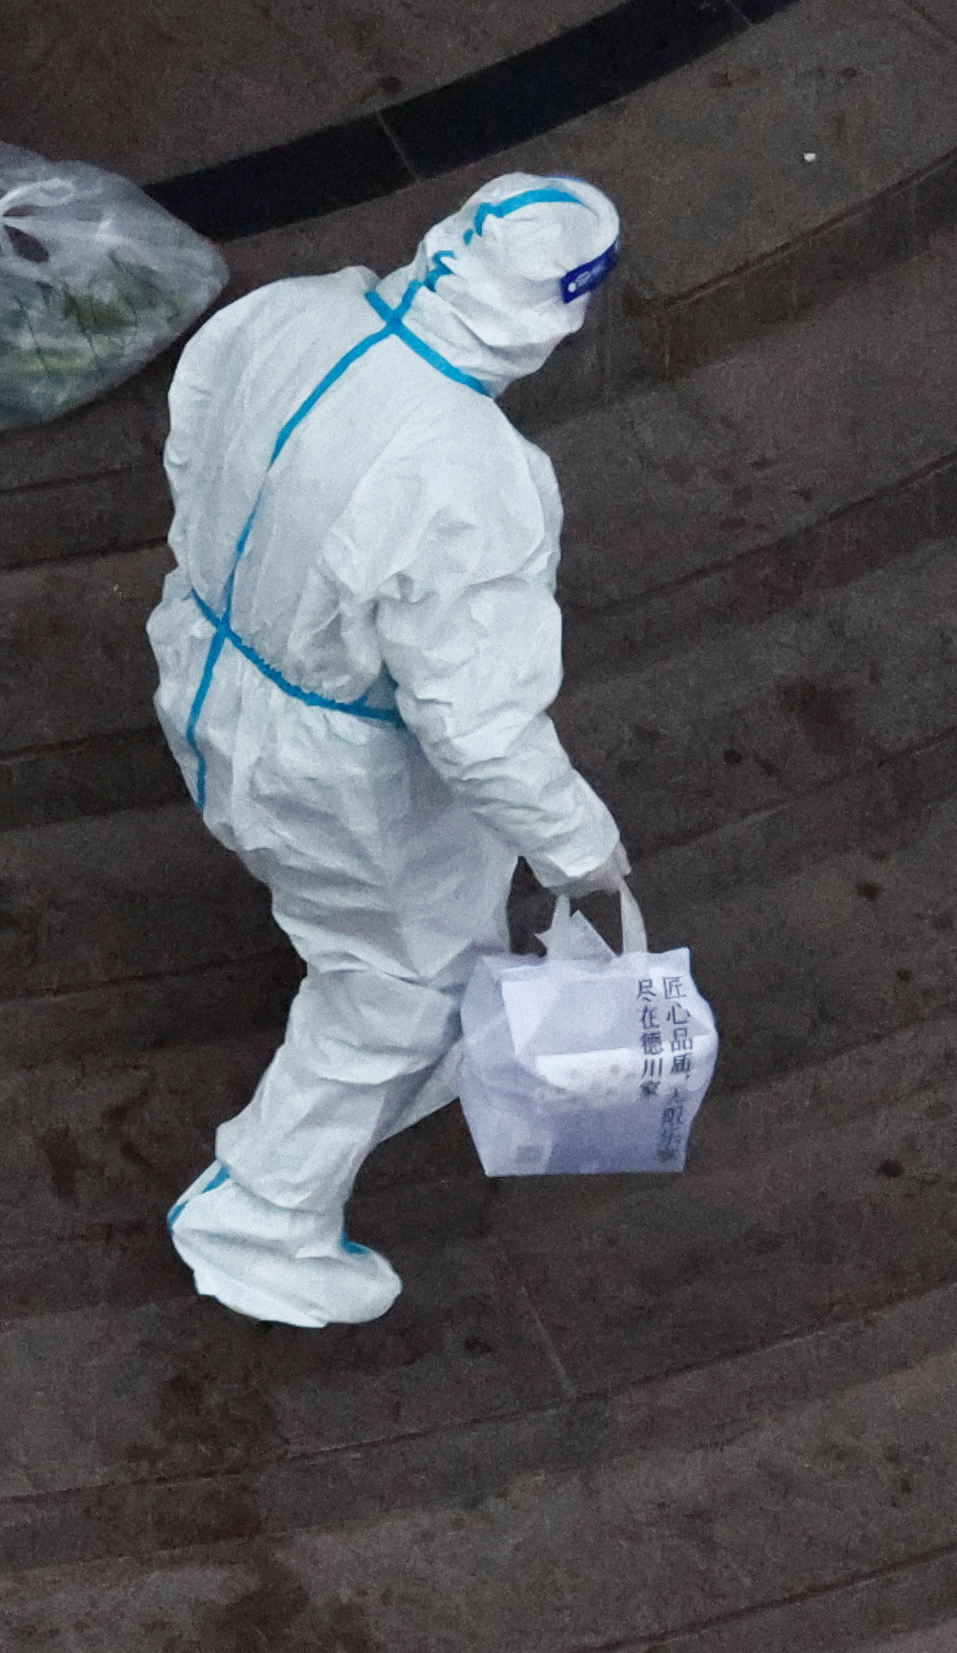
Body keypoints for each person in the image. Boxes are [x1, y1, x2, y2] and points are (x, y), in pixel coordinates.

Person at [147, 173, 635, 1327]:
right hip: (338, 760)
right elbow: (475, 727)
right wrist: (585, 850)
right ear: (556, 315)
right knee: (396, 987)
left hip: (205, 665)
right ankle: (259, 1212)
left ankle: (393, 1047)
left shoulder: (294, 312)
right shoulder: (478, 473)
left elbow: (191, 447)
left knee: (358, 917)